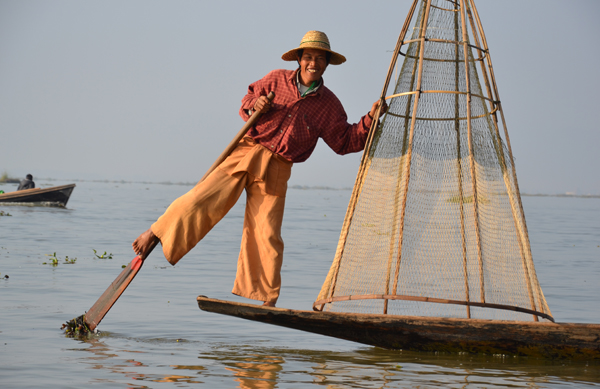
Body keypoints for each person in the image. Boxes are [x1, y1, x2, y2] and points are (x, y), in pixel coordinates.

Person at [132, 30, 387, 307]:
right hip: (247, 151)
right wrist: (257, 104)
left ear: (327, 64)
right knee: (200, 200)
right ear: (299, 60)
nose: (313, 63)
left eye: (319, 59)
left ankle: (265, 299)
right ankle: (155, 232)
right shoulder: (276, 78)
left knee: (266, 232)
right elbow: (246, 102)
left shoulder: (329, 104)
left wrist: (370, 118)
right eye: (309, 57)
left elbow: (344, 141)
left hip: (278, 167)